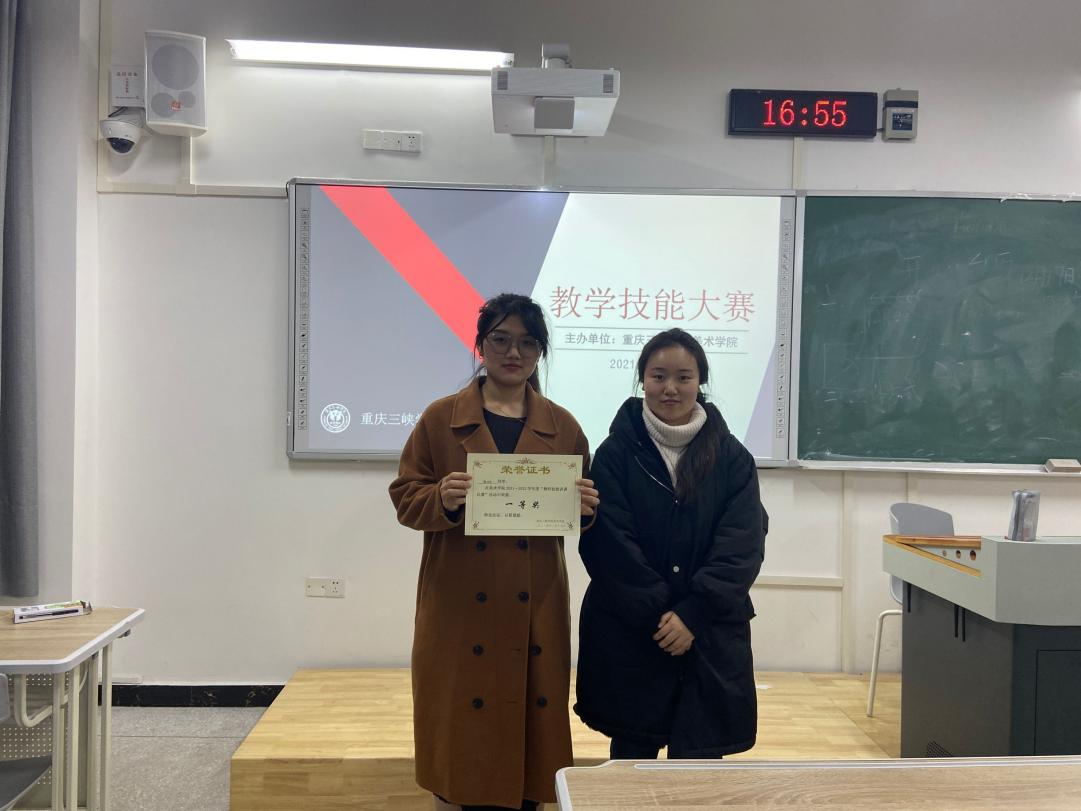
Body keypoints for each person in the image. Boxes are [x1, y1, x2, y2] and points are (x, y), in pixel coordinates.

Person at [389, 293, 600, 810]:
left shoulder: (563, 425)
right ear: (481, 345)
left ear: (540, 352)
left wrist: (585, 507)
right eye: (501, 339)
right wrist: (440, 497)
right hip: (459, 602)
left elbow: (580, 507)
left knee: (530, 734)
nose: (514, 353)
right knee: (461, 735)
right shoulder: (440, 418)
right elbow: (405, 498)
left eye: (528, 342)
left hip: (535, 601)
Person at [574, 328, 767, 760]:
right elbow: (609, 543)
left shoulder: (732, 457)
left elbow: (742, 544)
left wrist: (693, 613)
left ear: (700, 382)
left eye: (684, 377)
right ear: (642, 379)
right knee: (632, 762)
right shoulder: (614, 454)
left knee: (699, 767)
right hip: (632, 629)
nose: (670, 388)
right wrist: (660, 616)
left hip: (708, 630)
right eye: (658, 376)